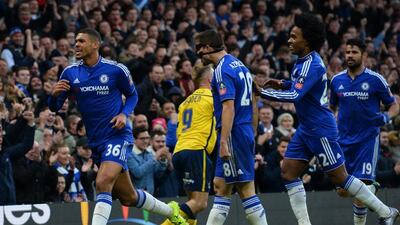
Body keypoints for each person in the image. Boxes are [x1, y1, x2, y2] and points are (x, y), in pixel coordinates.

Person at [254, 13, 399, 225]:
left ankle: (386, 211)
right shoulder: (302, 63)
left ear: (308, 40)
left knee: (340, 179)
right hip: (306, 128)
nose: (289, 40)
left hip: (321, 128)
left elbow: (296, 95)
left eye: (294, 37)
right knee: (288, 172)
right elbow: (305, 89)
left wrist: (261, 92)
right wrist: (283, 84)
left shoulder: (314, 64)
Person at [48, 28, 187, 225]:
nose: (76, 45)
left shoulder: (116, 69)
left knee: (103, 182)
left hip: (117, 135)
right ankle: (171, 211)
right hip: (95, 141)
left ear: (95, 44)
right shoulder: (70, 73)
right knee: (129, 197)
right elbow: (54, 107)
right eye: (76, 41)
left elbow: (133, 95)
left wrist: (124, 113)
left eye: (81, 41)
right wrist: (53, 96)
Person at [194, 29, 269, 225]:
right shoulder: (240, 65)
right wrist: (252, 130)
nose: (197, 54)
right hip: (242, 130)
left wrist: (225, 141)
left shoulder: (221, 70)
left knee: (245, 189)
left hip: (233, 133)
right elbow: (254, 97)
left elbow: (228, 107)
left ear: (208, 47)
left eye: (198, 49)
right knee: (220, 186)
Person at [330, 38, 400, 225]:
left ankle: (381, 210)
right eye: (347, 52)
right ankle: (373, 191)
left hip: (367, 140)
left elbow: (393, 105)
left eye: (354, 52)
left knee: (359, 187)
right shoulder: (336, 80)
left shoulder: (376, 79)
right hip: (343, 140)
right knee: (344, 190)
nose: (350, 56)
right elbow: (331, 108)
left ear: (364, 55)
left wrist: (386, 118)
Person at [162, 63, 217, 225]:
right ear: (209, 79)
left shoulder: (184, 103)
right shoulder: (212, 99)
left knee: (192, 203)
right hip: (197, 151)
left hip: (180, 151)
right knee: (200, 203)